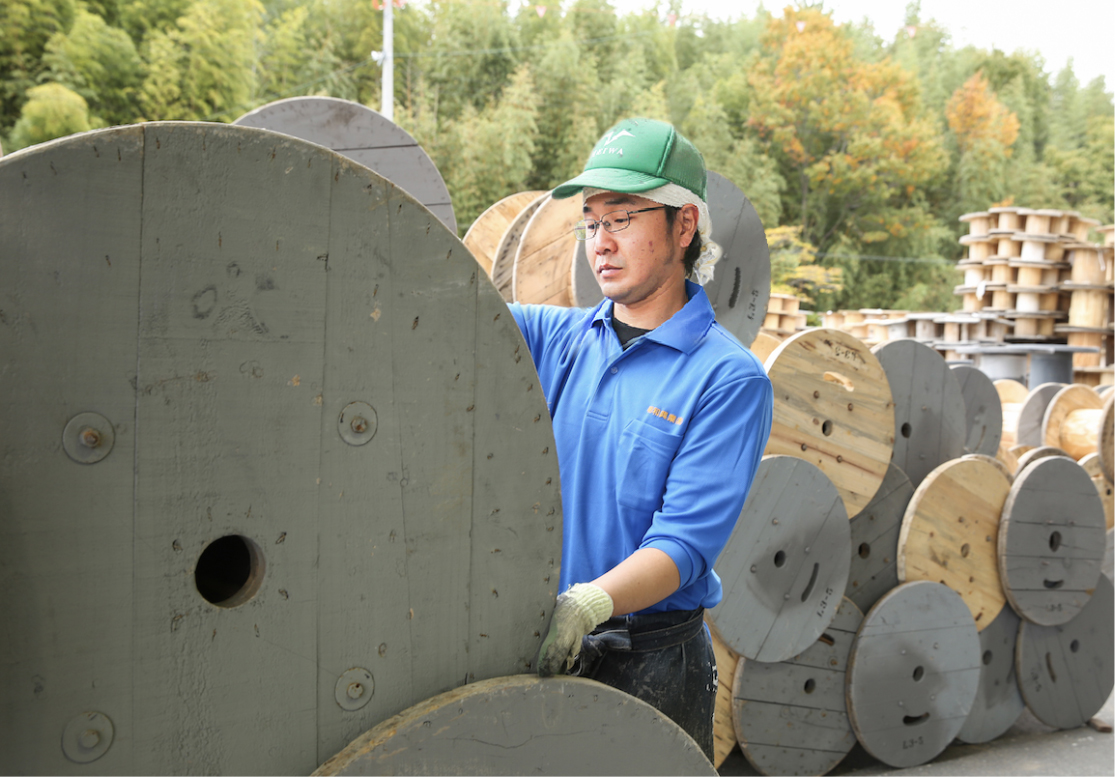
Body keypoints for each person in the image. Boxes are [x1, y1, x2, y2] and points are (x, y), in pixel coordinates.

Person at [508, 117, 772, 759]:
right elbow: (445, 308)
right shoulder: (561, 341)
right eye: (592, 222)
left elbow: (683, 544)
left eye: (623, 219)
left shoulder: (727, 379)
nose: (601, 242)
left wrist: (590, 603)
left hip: (649, 667)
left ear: (684, 226)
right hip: (550, 649)